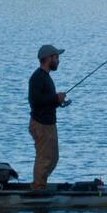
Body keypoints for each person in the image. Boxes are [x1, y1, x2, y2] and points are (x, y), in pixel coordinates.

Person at [28, 44, 69, 190]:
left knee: (53, 158)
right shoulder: (37, 77)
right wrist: (55, 99)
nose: (58, 60)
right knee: (44, 158)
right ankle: (38, 188)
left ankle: (40, 184)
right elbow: (35, 101)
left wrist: (57, 100)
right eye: (56, 57)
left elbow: (46, 101)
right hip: (41, 124)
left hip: (49, 124)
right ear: (48, 59)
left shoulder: (45, 77)